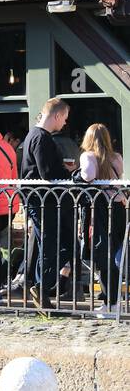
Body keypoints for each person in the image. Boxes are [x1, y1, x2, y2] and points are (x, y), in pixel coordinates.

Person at [20, 98, 75, 306]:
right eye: (65, 119)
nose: (65, 124)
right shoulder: (41, 138)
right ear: (57, 115)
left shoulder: (34, 135)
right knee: (52, 244)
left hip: (41, 199)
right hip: (42, 199)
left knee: (51, 243)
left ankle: (40, 288)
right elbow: (47, 172)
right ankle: (41, 288)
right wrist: (68, 172)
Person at [78, 122, 125, 314]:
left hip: (100, 209)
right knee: (111, 254)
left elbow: (88, 176)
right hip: (118, 207)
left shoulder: (88, 156)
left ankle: (111, 303)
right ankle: (110, 301)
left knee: (102, 255)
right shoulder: (117, 157)